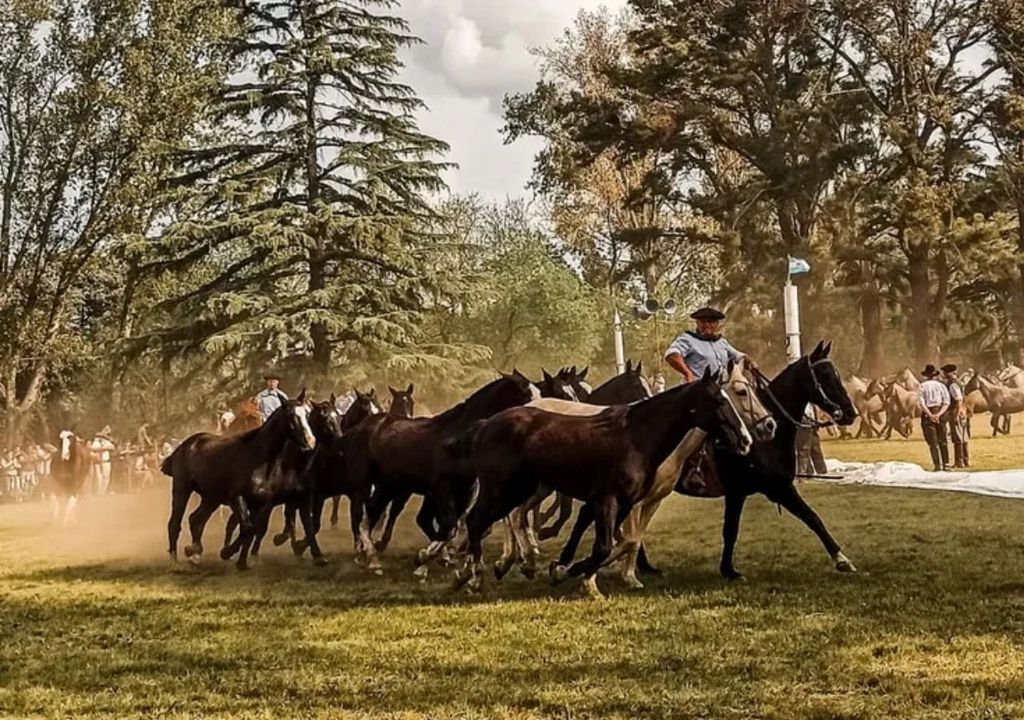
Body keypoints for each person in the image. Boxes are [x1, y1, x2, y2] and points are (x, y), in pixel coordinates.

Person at [665, 307, 748, 381]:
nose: (707, 324)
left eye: (711, 321)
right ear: (697, 323)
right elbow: (672, 355)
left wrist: (750, 362)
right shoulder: (688, 339)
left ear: (717, 324)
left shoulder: (721, 342)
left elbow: (739, 356)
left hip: (720, 390)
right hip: (698, 390)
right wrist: (687, 373)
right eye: (703, 321)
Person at [918, 364, 951, 472]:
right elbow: (946, 402)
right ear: (935, 375)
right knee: (943, 440)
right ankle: (946, 464)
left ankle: (937, 465)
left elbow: (922, 403)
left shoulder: (922, 386)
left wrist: (930, 415)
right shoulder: (941, 386)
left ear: (926, 375)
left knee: (933, 442)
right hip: (940, 412)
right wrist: (939, 414)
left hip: (928, 414)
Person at [941, 363, 969, 468]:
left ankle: (959, 461)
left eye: (945, 372)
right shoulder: (958, 383)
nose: (944, 374)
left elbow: (958, 400)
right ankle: (965, 460)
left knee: (957, 437)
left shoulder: (952, 384)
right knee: (963, 436)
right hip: (961, 410)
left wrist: (957, 413)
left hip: (955, 411)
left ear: (950, 373)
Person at [90, 426, 116, 495]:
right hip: (98, 462)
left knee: (106, 478)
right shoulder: (96, 441)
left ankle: (102, 493)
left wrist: (105, 448)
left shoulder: (107, 442)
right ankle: (98, 493)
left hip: (106, 461)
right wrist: (101, 449)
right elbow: (93, 448)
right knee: (99, 478)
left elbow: (112, 447)